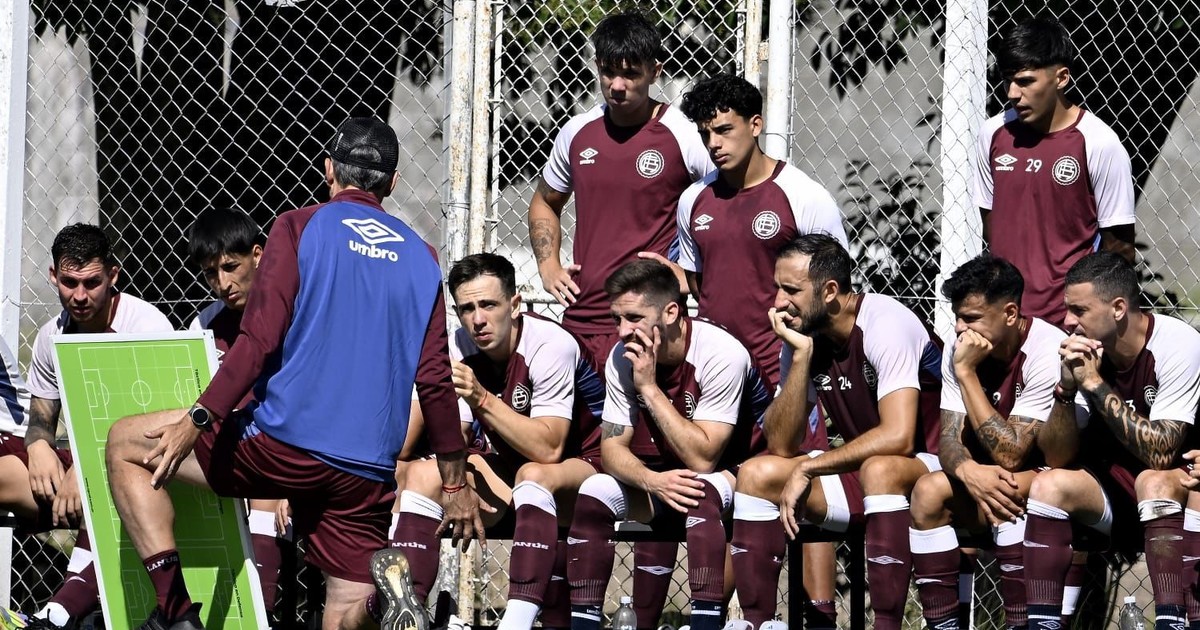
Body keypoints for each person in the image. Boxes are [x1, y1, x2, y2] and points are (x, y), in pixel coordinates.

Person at [104, 117, 477, 630]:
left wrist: (198, 418)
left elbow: (257, 341)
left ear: (329, 169)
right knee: (344, 608)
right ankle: (378, 606)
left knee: (125, 443)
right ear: (392, 184)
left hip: (284, 448)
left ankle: (175, 613)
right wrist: (455, 485)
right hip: (365, 471)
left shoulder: (299, 226)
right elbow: (435, 378)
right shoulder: (422, 257)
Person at [526, 12, 713, 623]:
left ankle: (647, 612)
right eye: (608, 72)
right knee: (571, 468)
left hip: (649, 326)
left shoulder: (683, 135)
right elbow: (545, 201)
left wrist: (687, 274)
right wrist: (551, 263)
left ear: (654, 72)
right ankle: (558, 609)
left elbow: (721, 205)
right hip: (585, 324)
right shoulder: (577, 134)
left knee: (656, 466)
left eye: (630, 74)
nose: (618, 86)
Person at [675, 72, 847, 628]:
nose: (715, 144)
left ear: (756, 125)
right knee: (727, 504)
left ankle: (819, 614)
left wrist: (805, 361)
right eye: (706, 135)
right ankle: (733, 617)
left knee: (801, 484)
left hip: (790, 368)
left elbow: (833, 292)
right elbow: (699, 287)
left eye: (725, 130)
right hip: (725, 383)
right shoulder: (693, 201)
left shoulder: (804, 195)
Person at [729, 234, 942, 630]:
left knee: (881, 466)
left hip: (932, 472)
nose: (778, 301)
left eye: (791, 290)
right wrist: (801, 357)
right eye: (777, 288)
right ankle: (758, 623)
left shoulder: (885, 323)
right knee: (756, 474)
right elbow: (780, 442)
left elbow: (900, 437)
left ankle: (887, 625)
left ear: (829, 291)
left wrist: (810, 469)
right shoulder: (804, 337)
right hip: (870, 471)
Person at [387, 253, 605, 630]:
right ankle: (409, 612)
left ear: (515, 304)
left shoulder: (550, 343)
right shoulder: (457, 344)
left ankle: (514, 624)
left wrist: (481, 397)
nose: (477, 319)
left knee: (535, 475)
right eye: (466, 308)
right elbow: (449, 436)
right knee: (419, 474)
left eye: (488, 304)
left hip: (582, 468)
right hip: (508, 463)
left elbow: (549, 448)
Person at [565, 259, 770, 630]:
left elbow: (703, 457)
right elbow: (611, 450)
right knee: (594, 491)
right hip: (666, 475)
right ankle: (584, 624)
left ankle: (704, 624)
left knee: (698, 490)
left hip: (743, 471)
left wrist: (648, 387)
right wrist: (651, 481)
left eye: (634, 317)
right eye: (616, 319)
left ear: (671, 312)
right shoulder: (621, 357)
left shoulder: (721, 353)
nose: (622, 331)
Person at [0, 224, 174, 630]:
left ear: (114, 275)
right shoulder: (50, 336)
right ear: (52, 276)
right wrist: (40, 447)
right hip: (77, 469)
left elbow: (158, 433)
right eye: (69, 282)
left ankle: (56, 615)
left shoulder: (147, 327)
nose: (79, 296)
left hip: (146, 470)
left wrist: (88, 468)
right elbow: (41, 420)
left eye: (92, 283)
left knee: (117, 483)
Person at [1022, 251, 1200, 630]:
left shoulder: (1175, 343)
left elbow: (1163, 452)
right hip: (1117, 492)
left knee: (1152, 480)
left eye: (1079, 310)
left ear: (1118, 308)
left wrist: (1094, 384)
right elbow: (1055, 455)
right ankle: (1041, 625)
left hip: (1178, 489)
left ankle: (1171, 622)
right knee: (1047, 484)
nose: (1068, 321)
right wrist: (1066, 391)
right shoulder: (1084, 356)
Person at [908, 254, 1082, 630]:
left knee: (1008, 488)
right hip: (991, 478)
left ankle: (1021, 624)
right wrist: (969, 471)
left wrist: (967, 372)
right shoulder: (959, 351)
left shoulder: (1045, 351)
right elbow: (950, 442)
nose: (958, 329)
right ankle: (943, 625)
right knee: (927, 492)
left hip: (1055, 480)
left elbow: (1013, 454)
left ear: (1009, 313)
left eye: (970, 318)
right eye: (957, 316)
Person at [975, 16, 1135, 328]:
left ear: (1061, 78)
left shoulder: (1100, 143)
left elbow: (1119, 252)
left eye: (1025, 81)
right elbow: (991, 225)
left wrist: (1088, 322)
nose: (1012, 93)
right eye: (1007, 80)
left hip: (1068, 326)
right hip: (1005, 322)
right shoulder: (992, 133)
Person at [184, 207, 295, 621]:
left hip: (288, 450)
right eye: (212, 274)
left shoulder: (294, 312)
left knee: (265, 495)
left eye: (231, 267)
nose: (223, 284)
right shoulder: (206, 324)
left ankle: (257, 616)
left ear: (259, 255)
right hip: (233, 450)